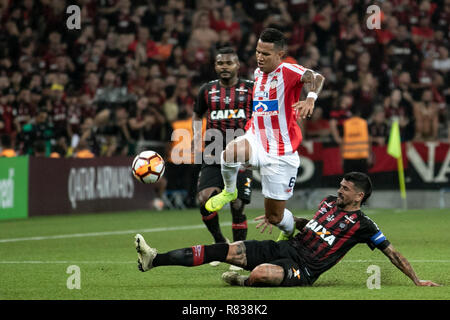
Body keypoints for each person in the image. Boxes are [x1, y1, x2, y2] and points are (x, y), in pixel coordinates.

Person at [134, 172, 440, 288]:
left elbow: (392, 252)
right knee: (224, 251)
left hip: (303, 269)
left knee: (259, 275)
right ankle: (154, 259)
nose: (340, 190)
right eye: (341, 186)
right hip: (284, 248)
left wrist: (416, 280)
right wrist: (280, 220)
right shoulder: (328, 201)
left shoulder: (364, 225)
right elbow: (311, 225)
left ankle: (241, 283)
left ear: (359, 196)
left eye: (346, 189)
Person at [204, 28, 325, 240]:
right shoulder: (258, 73)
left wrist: (311, 98)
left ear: (280, 55)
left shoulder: (288, 70)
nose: (260, 57)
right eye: (258, 52)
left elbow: (317, 77)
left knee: (275, 217)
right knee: (229, 153)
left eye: (266, 54)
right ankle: (230, 191)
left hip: (280, 151)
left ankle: (289, 232)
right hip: (256, 138)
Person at [192, 47, 253, 268]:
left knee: (236, 204)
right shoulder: (206, 90)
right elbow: (198, 114)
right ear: (215, 66)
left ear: (238, 65)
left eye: (229, 63)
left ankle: (238, 253)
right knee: (204, 201)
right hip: (213, 152)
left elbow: (262, 115)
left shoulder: (250, 89)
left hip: (241, 152)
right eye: (220, 63)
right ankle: (220, 242)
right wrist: (197, 136)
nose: (224, 67)